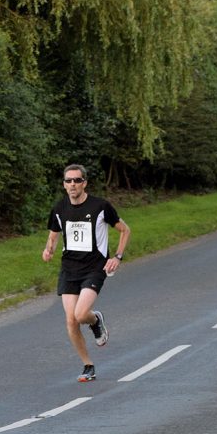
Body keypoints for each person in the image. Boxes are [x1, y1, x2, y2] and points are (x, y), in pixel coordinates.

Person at [42, 163, 131, 382]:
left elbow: (124, 230)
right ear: (64, 185)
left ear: (85, 183)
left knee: (81, 315)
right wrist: (48, 249)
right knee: (71, 320)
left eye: (77, 180)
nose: (73, 184)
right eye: (69, 181)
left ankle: (95, 320)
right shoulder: (59, 208)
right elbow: (53, 235)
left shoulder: (100, 206)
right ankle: (88, 365)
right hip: (69, 269)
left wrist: (117, 257)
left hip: (94, 268)